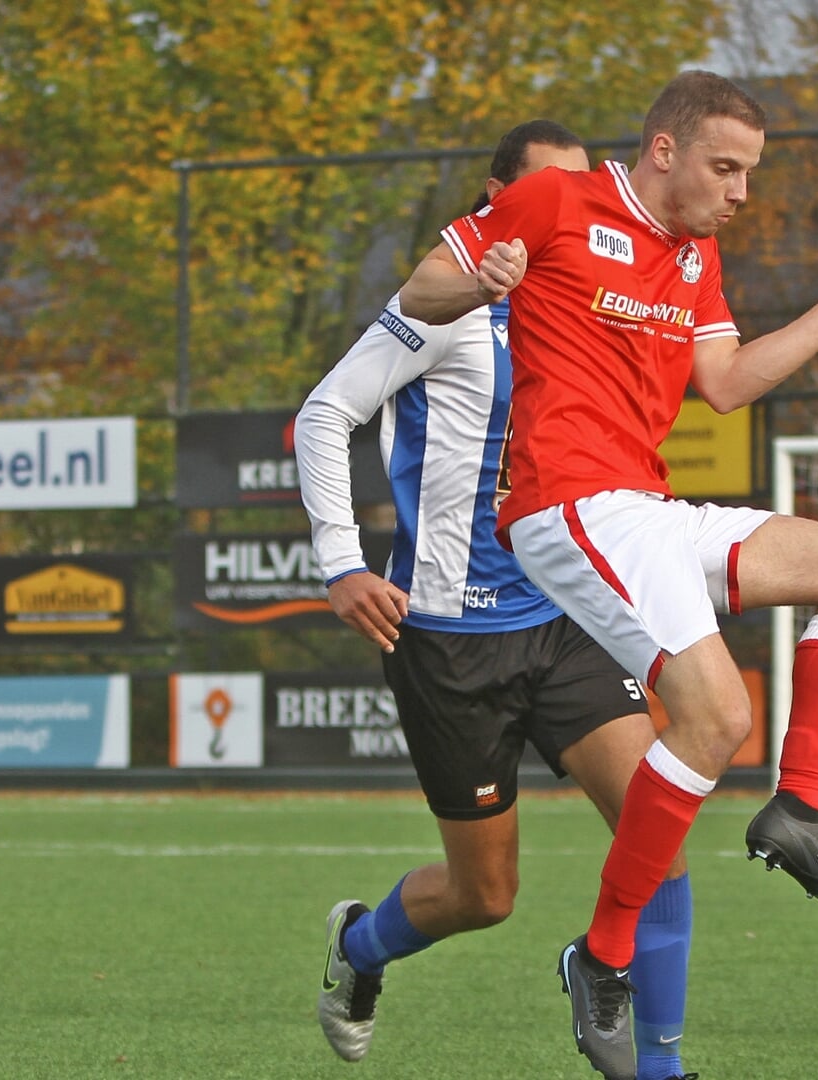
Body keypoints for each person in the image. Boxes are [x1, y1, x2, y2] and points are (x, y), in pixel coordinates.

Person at [401, 70, 818, 1079]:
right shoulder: (554, 199)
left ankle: (797, 808)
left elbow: (722, 386)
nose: (740, 192)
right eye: (726, 167)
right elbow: (418, 290)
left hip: (648, 510)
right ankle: (604, 953)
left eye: (749, 173)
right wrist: (482, 278)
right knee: (715, 720)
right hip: (565, 505)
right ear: (663, 149)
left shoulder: (695, 257)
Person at [298, 121, 698, 1080]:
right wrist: (342, 563)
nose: (569, 215)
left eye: (581, 197)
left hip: (564, 619)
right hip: (448, 638)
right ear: (495, 198)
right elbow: (325, 412)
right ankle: (359, 948)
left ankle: (659, 1067)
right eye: (547, 195)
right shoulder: (443, 305)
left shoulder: (587, 306)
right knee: (485, 895)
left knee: (660, 826)